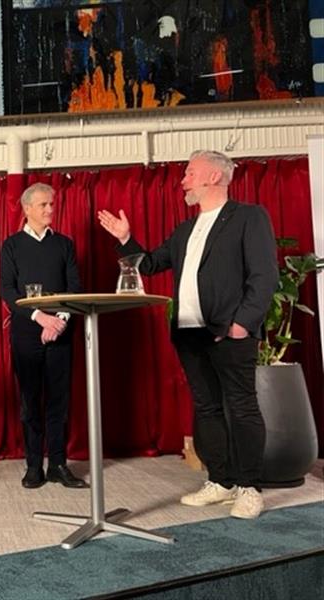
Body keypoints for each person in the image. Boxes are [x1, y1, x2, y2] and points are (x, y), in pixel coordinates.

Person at [98, 150, 278, 519]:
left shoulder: (248, 217)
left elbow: (264, 276)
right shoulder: (185, 230)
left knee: (241, 407)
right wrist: (126, 237)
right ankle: (221, 481)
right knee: (207, 408)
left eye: (190, 172)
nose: (183, 180)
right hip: (190, 333)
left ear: (214, 177)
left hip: (230, 332)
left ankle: (249, 488)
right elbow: (149, 263)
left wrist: (241, 323)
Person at [0, 183, 87, 489]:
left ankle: (59, 464)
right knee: (29, 401)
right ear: (27, 209)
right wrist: (41, 318)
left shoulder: (64, 245)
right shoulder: (11, 246)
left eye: (52, 204)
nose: (51, 209)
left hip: (61, 332)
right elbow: (7, 291)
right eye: (44, 205)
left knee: (59, 402)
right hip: (26, 333)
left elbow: (73, 287)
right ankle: (34, 464)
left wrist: (60, 320)